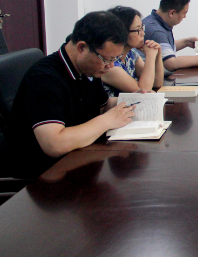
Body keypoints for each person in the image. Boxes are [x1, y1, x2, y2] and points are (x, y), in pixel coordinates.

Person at [9, 11, 137, 177]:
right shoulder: (44, 78)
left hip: (79, 161)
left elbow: (102, 106)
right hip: (45, 177)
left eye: (115, 59)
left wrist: (135, 100)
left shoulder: (89, 69)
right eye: (107, 59)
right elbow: (54, 144)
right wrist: (107, 120)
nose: (110, 66)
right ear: (82, 48)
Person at [101, 6, 164, 97]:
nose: (143, 33)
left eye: (142, 28)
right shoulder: (110, 65)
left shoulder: (131, 54)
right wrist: (150, 56)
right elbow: (144, 92)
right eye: (138, 30)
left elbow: (157, 83)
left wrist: (158, 54)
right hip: (114, 105)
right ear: (122, 33)